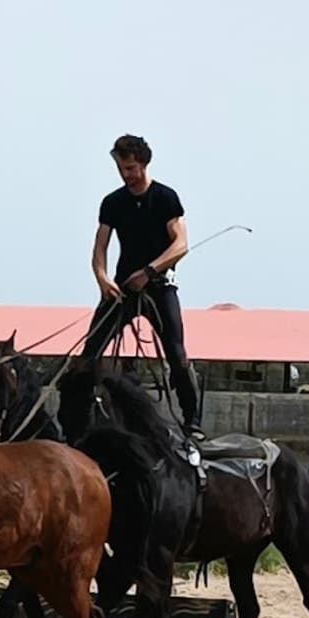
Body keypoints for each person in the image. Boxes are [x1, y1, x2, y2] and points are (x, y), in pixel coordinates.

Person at [72, 133, 200, 435]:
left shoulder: (166, 197)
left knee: (177, 355)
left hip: (159, 286)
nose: (126, 174)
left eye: (130, 168)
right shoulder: (113, 203)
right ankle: (76, 418)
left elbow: (181, 244)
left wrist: (150, 271)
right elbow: (100, 248)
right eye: (121, 168)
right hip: (122, 289)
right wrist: (102, 279)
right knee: (88, 354)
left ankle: (192, 421)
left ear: (143, 164)